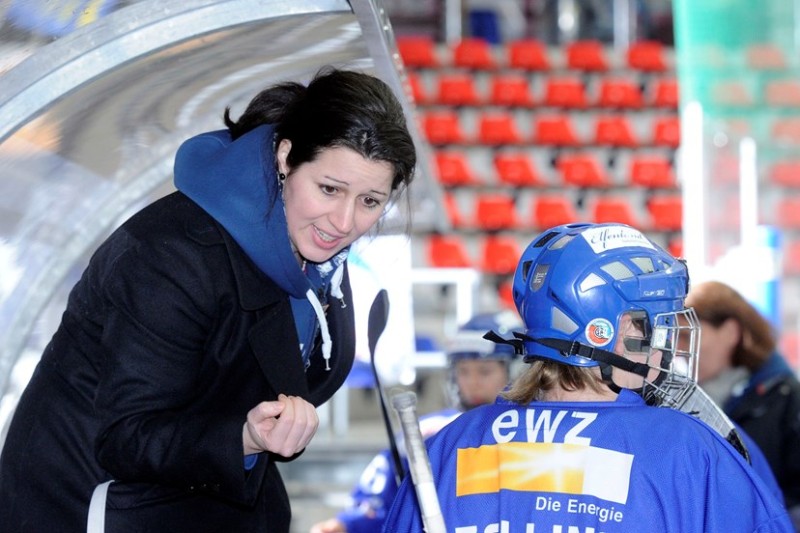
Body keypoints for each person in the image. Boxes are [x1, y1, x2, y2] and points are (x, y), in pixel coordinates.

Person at [0, 66, 416, 532]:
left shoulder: (315, 256)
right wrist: (244, 435)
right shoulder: (171, 256)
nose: (344, 222)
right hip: (85, 505)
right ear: (285, 157)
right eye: (329, 189)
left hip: (194, 500)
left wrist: (263, 433)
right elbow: (126, 436)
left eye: (370, 201)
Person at [383, 222, 793, 532]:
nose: (662, 347)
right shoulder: (689, 447)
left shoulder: (451, 444)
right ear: (602, 332)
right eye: (653, 327)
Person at [309, 311, 522, 533]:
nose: (472, 382)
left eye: (485, 371)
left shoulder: (535, 431)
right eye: (464, 371)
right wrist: (346, 525)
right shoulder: (432, 432)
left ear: (518, 371)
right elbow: (377, 500)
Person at [687, 280, 800, 528]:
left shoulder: (785, 397)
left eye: (692, 335)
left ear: (730, 332)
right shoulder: (684, 400)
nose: (683, 349)